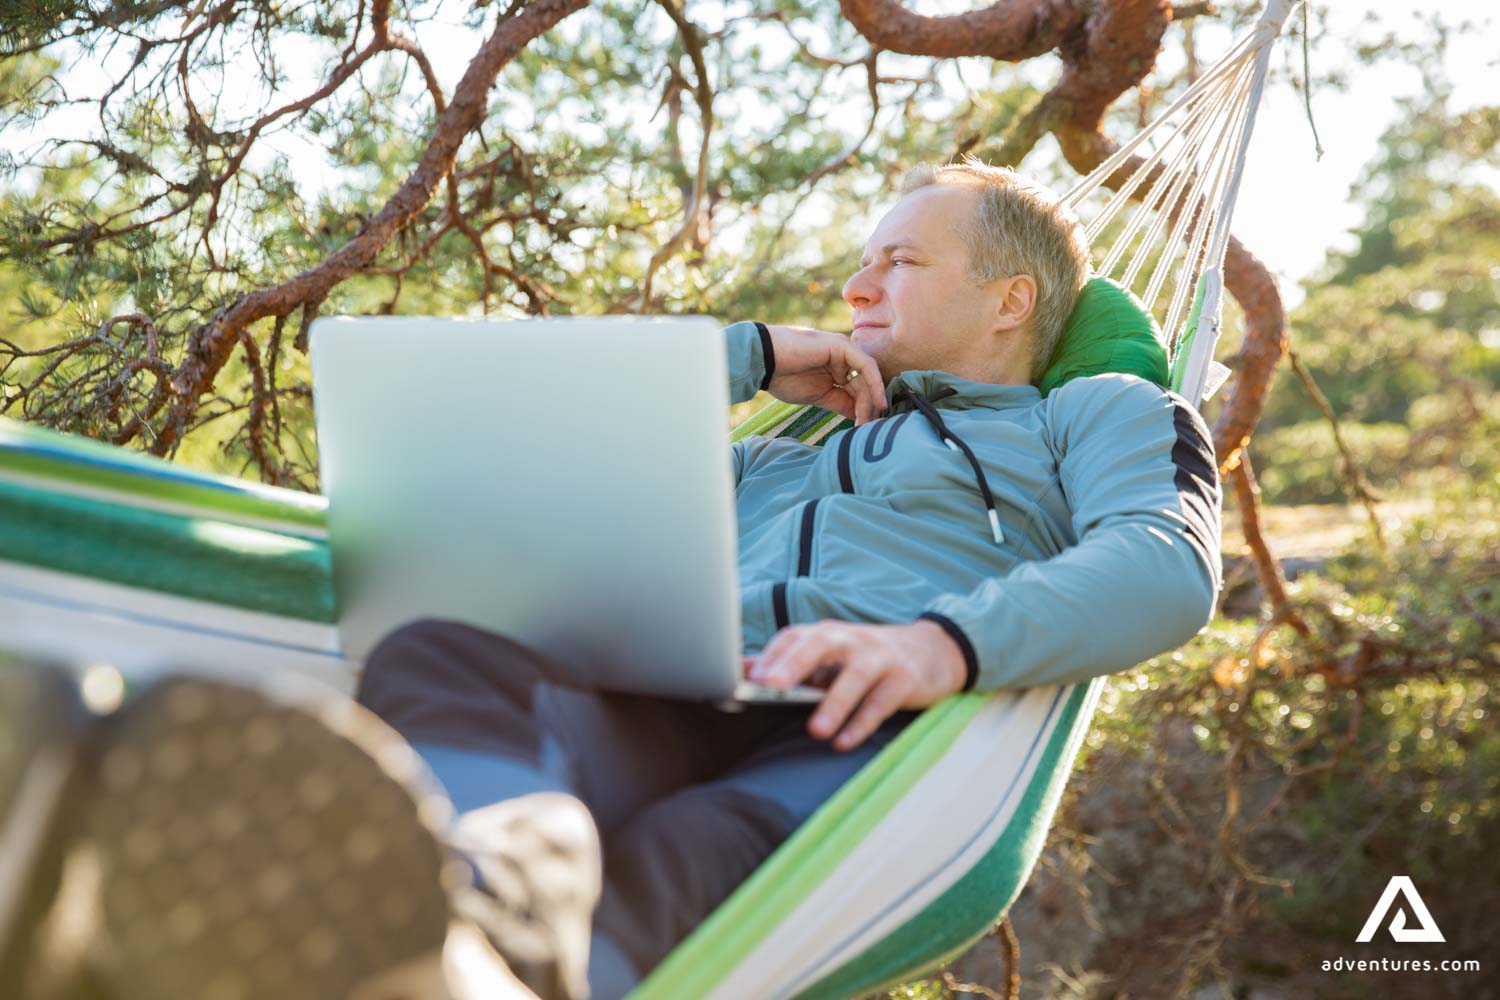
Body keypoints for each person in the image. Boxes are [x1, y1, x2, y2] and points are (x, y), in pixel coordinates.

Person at [0, 160, 1221, 1000]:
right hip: (669, 683)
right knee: (438, 646)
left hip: (864, 731)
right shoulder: (779, 452)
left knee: (692, 844)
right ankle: (466, 937)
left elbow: (1165, 561)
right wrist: (748, 355)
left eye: (897, 261)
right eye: (858, 266)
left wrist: (938, 645)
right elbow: (506, 447)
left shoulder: (1096, 412)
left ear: (1012, 299)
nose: (854, 289)